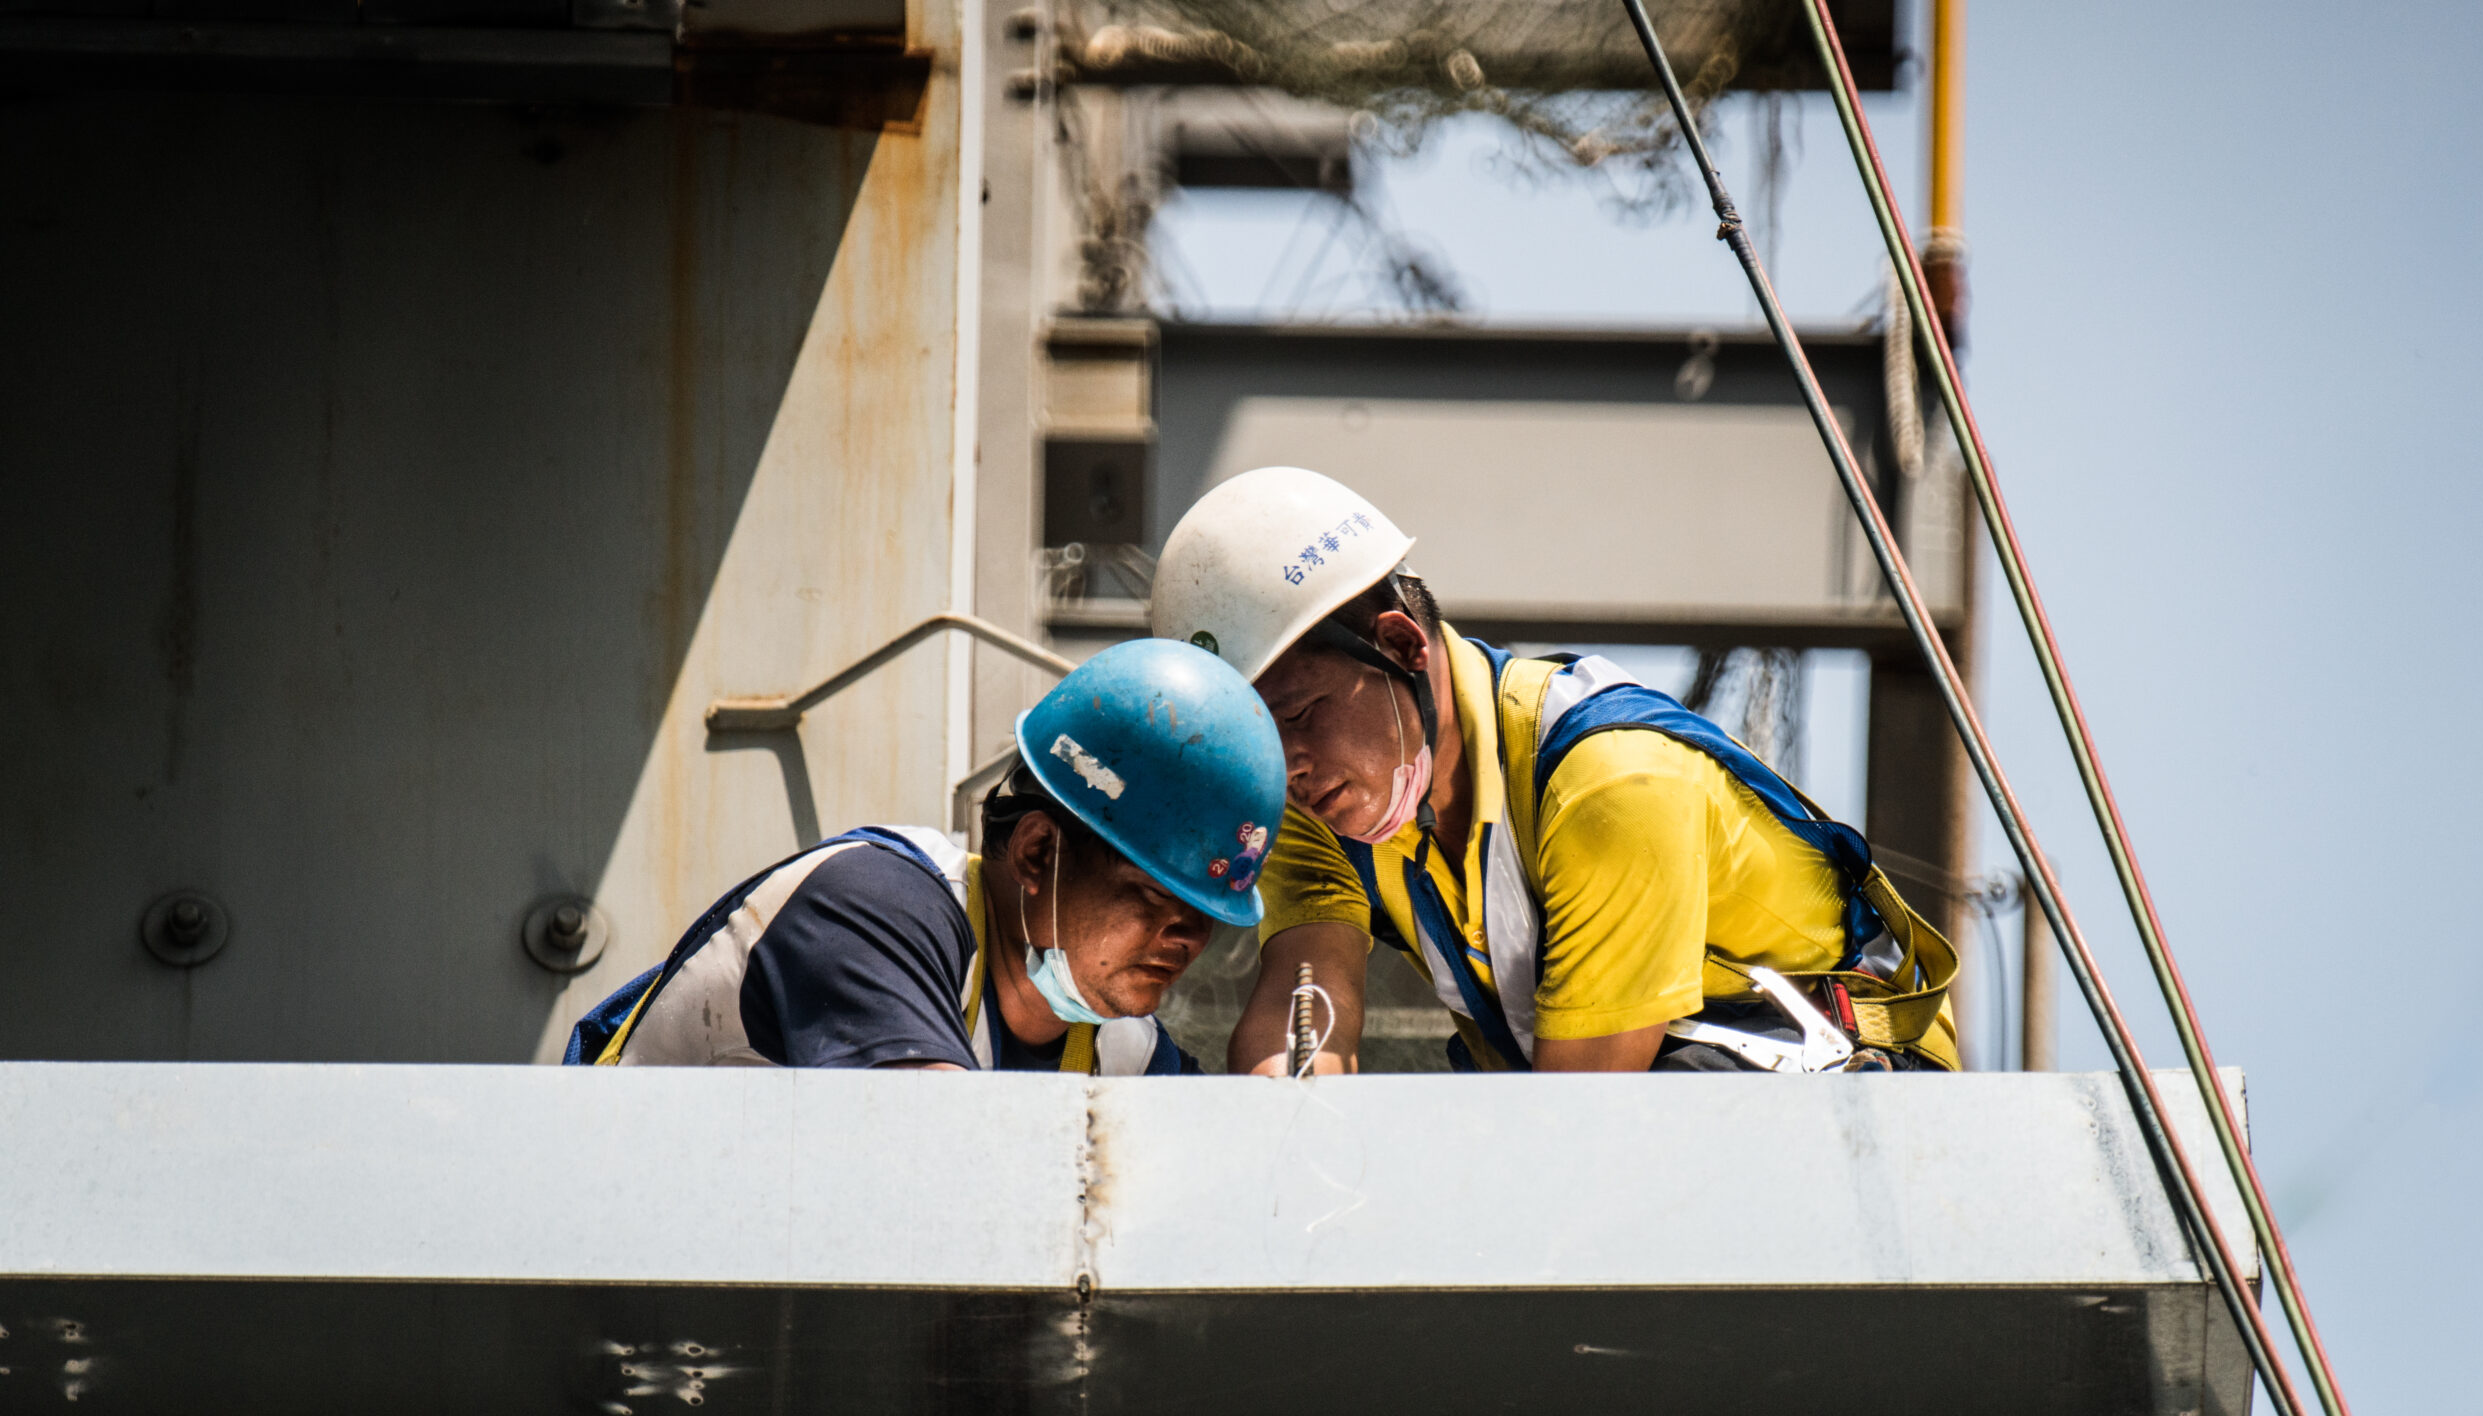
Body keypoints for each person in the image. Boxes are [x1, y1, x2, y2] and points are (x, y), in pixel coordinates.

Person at [1149, 466, 1962, 1077]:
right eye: (1258, 741)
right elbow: (1307, 1004)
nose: (1286, 767)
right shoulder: (1322, 802)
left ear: (1401, 645)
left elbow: (1578, 1125)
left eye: (1298, 715)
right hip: (1623, 1105)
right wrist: (1285, 1126)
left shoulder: (1612, 782)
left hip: (1846, 1095)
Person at [565, 638, 1286, 1074]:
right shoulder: (870, 906)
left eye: (1205, 912)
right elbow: (935, 1166)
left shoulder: (1121, 1047)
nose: (1188, 936)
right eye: (1155, 894)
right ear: (1039, 852)